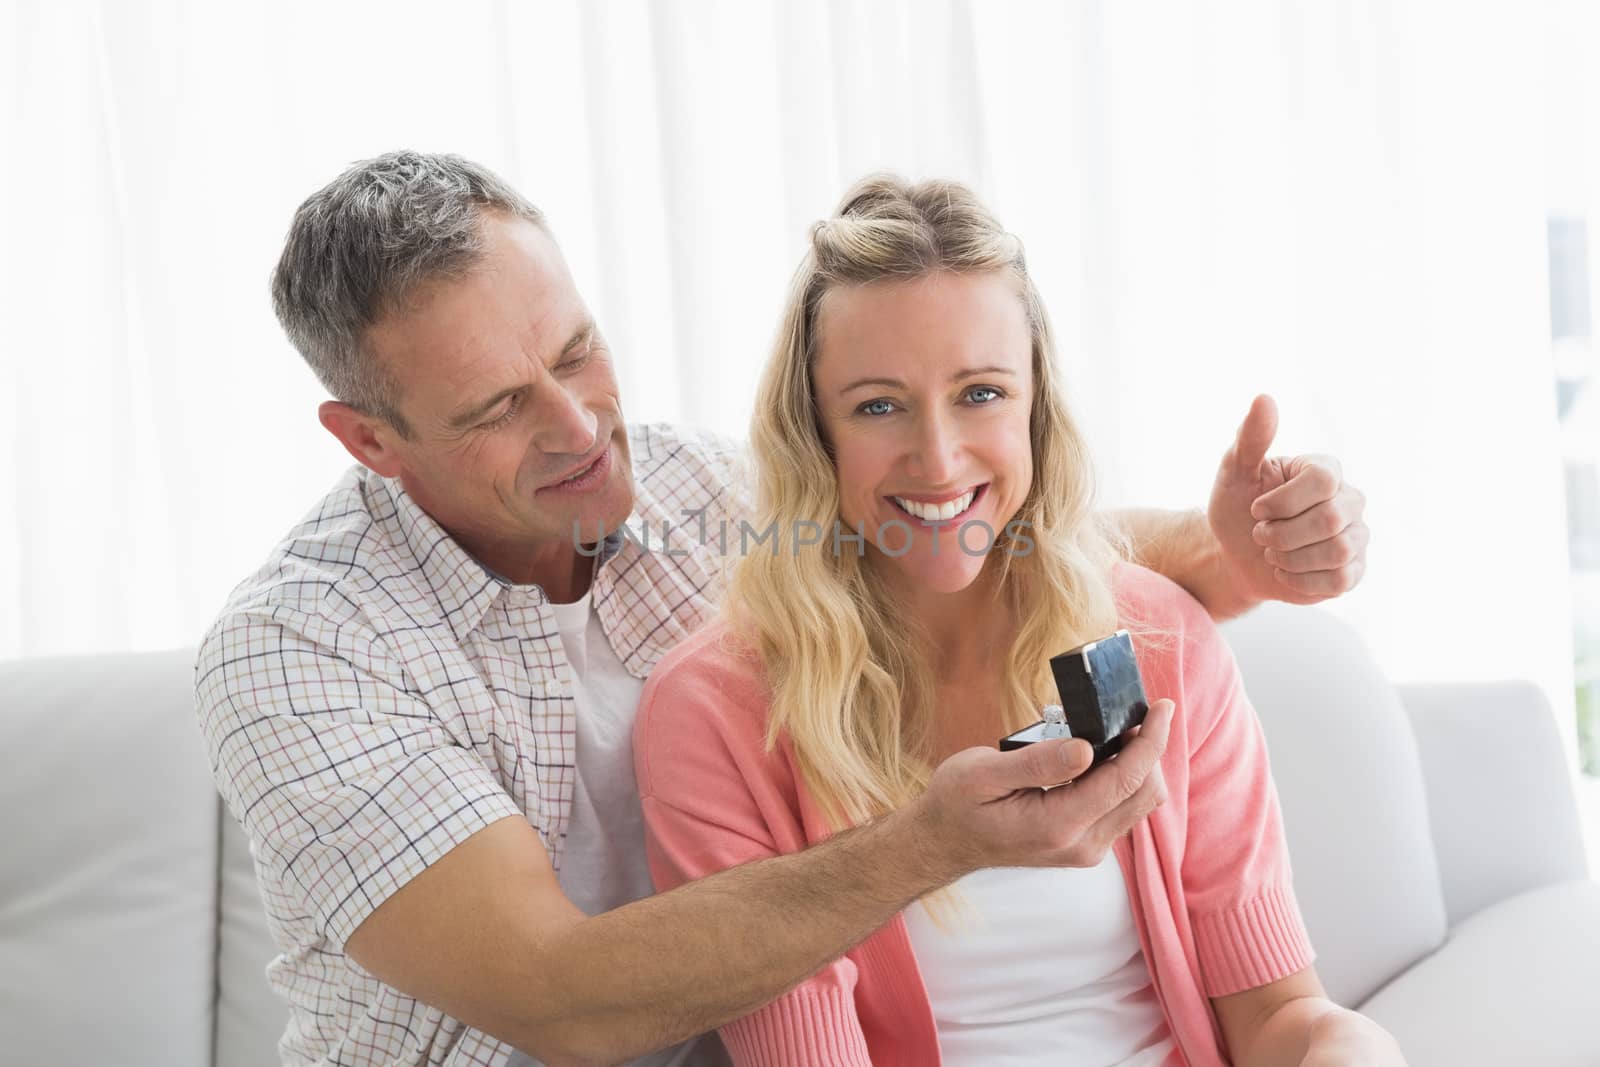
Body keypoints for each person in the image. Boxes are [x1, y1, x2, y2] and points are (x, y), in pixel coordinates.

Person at [194, 151, 1370, 1067]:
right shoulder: (302, 652)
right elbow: (559, 1001)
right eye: (500, 402)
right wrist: (931, 841)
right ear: (370, 440)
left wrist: (1236, 556)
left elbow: (963, 522)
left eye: (578, 350)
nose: (577, 425)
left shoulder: (706, 497)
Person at [632, 176, 1402, 1066]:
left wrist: (1348, 1047)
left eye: (982, 392)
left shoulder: (1155, 640)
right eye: (878, 404)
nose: (939, 455)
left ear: (1037, 405)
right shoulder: (717, 712)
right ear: (816, 431)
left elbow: (1275, 1014)